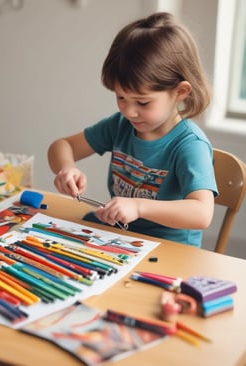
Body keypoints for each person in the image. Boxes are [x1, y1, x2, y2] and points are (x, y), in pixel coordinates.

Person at [47, 12, 218, 247]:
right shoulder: (120, 126)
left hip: (169, 250)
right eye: (121, 97)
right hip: (120, 238)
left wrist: (139, 206)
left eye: (143, 102)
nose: (129, 111)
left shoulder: (190, 145)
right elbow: (62, 146)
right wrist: (66, 169)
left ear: (180, 92)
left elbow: (202, 213)